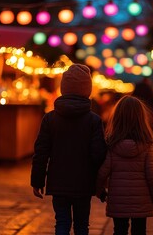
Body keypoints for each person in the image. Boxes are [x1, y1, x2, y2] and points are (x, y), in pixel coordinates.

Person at [30, 63, 107, 235]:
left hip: (58, 182)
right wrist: (100, 182)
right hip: (83, 183)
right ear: (87, 89)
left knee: (62, 222)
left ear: (63, 88)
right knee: (81, 225)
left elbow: (41, 152)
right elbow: (98, 154)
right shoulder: (93, 121)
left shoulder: (50, 119)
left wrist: (37, 181)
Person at [96, 95, 153, 235]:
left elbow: (102, 172)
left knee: (119, 230)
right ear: (141, 119)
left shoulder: (112, 145)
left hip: (118, 202)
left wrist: (99, 191)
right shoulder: (147, 146)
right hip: (142, 202)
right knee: (139, 231)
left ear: (117, 118)